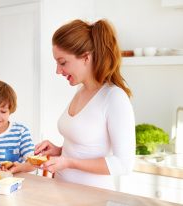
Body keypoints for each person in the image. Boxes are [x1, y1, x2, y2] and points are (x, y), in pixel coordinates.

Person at [35, 19, 135, 190]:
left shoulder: (114, 98)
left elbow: (123, 164)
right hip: (62, 191)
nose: (58, 70)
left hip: (92, 197)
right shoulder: (80, 91)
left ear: (86, 57)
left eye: (63, 62)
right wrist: (59, 151)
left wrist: (68, 162)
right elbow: (85, 149)